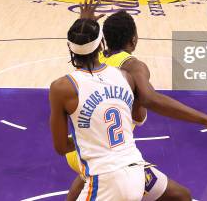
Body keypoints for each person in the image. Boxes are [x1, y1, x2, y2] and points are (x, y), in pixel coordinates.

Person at [64, 0, 207, 201]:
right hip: (104, 155)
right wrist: (206, 119)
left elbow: (83, 46)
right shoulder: (132, 66)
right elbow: (151, 99)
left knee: (88, 172)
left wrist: (84, 20)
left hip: (78, 149)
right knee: (181, 197)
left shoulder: (95, 58)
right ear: (133, 40)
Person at [50, 18, 146, 201]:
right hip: (136, 170)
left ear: (69, 48)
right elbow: (139, 117)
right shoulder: (126, 76)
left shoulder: (62, 87)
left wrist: (91, 137)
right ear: (101, 43)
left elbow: (61, 147)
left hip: (105, 179)